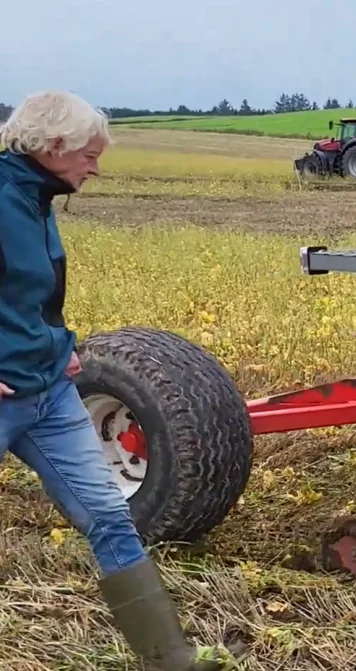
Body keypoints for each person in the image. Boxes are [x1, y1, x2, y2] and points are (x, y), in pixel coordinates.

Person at [0, 91, 230, 670]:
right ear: (51, 146)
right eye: (89, 154)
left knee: (108, 516)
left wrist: (61, 346)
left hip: (48, 392)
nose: (96, 167)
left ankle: (169, 659)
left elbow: (30, 294)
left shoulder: (35, 197)